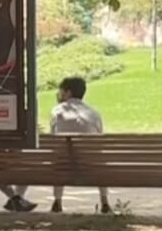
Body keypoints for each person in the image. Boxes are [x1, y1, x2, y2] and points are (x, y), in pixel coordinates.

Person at [13, 77, 111, 213]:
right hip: (90, 164)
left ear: (68, 93)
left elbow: (54, 137)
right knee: (98, 161)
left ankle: (56, 202)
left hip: (62, 164)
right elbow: (99, 140)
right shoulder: (94, 113)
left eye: (61, 91)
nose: (58, 94)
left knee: (57, 158)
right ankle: (104, 202)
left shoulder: (57, 111)